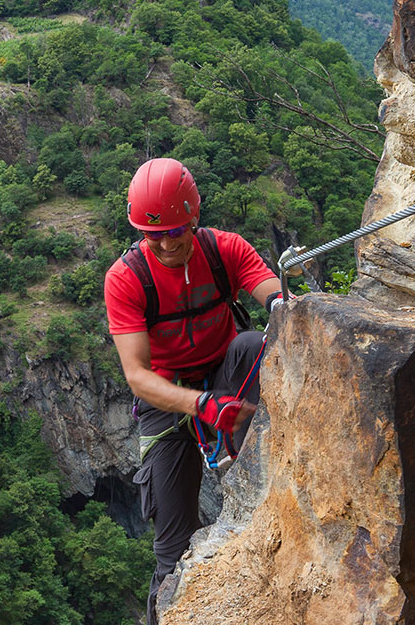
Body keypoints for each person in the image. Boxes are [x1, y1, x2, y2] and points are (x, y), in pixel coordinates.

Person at [105, 157, 285, 622]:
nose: (166, 243)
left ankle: (257, 476)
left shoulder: (224, 250)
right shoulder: (126, 279)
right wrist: (201, 405)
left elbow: (273, 297)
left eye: (175, 232)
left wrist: (283, 301)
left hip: (226, 375)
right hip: (166, 401)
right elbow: (138, 376)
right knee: (171, 546)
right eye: (153, 234)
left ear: (194, 220)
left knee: (251, 343)